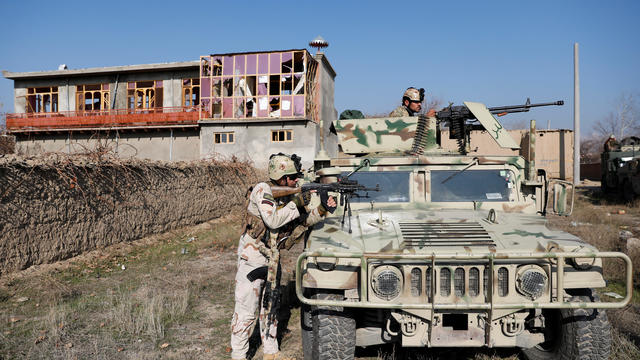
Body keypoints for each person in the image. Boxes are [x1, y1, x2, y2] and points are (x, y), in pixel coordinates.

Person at [230, 153, 336, 360]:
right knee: (246, 310)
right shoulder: (262, 190)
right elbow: (272, 221)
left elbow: (300, 224)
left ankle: (271, 352)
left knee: (271, 306)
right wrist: (297, 202)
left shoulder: (286, 197)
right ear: (281, 176)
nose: (297, 179)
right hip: (252, 257)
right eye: (293, 176)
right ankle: (239, 355)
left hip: (272, 258)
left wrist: (322, 209)